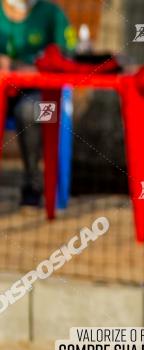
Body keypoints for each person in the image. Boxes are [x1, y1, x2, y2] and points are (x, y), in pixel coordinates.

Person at [0, 0, 75, 206]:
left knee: (32, 111)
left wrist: (27, 66)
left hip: (37, 92)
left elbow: (67, 56)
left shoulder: (52, 14)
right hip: (2, 91)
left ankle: (32, 183)